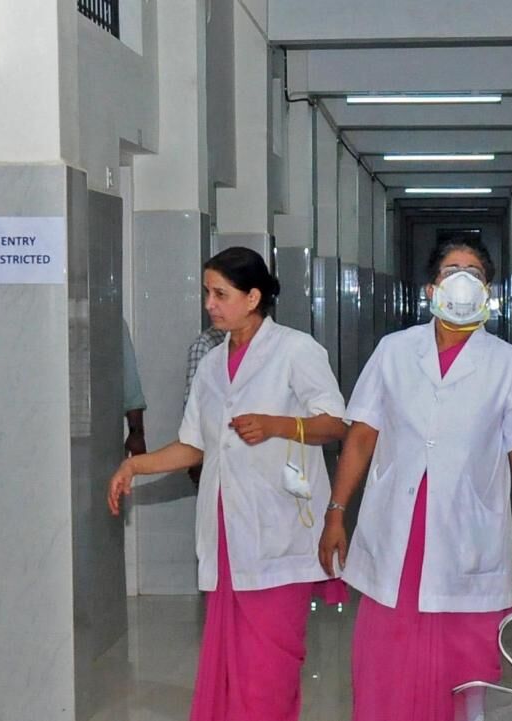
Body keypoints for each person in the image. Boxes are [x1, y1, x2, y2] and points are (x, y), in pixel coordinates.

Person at [107, 247, 348, 721]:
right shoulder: (212, 364)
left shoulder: (296, 350)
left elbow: (336, 423)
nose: (209, 304)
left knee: (269, 669)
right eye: (207, 293)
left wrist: (278, 425)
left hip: (280, 527)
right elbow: (193, 445)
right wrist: (136, 467)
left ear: (253, 297)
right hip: (225, 530)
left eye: (220, 294)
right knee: (230, 665)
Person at [318, 236, 512, 721]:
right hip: (397, 535)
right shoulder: (393, 351)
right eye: (450, 271)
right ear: (431, 288)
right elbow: (360, 438)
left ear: (487, 291)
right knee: (386, 661)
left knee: (461, 669)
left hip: (466, 535)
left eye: (473, 273)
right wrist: (336, 512)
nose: (461, 280)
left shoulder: (509, 364)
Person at [183, 325, 227, 483]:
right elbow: (194, 417)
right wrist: (133, 466)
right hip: (215, 461)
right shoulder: (206, 346)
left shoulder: (286, 346)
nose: (212, 312)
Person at [122, 318, 148, 456]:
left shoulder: (110, 319)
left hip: (98, 428)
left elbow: (129, 378)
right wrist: (137, 433)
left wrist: (136, 433)